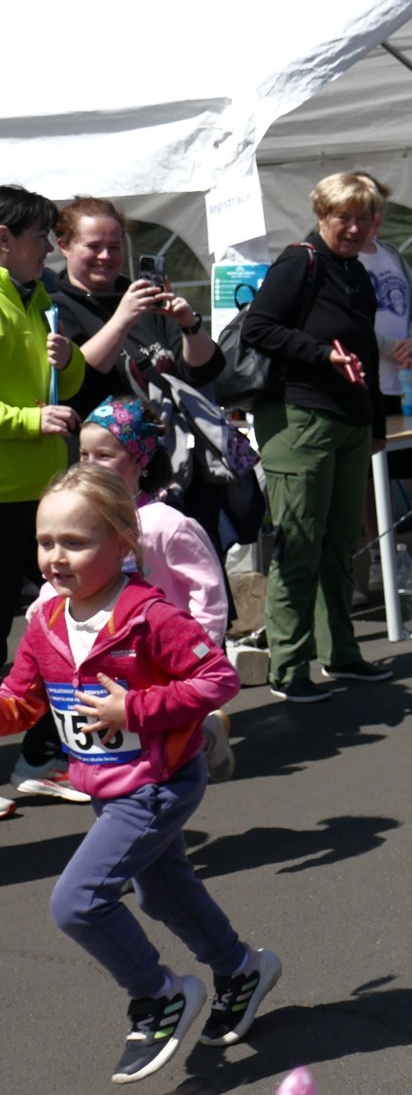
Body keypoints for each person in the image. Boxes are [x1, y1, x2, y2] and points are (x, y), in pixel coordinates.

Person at [0, 464, 278, 1085]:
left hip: (158, 783)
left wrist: (136, 709)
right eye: (46, 542)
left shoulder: (149, 616)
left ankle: (157, 994)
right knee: (162, 893)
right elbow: (20, 702)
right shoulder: (46, 623)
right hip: (106, 785)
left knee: (77, 902)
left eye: (75, 542)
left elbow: (218, 679)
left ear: (123, 542)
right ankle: (241, 969)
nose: (56, 557)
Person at [239, 171, 393, 704]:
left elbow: (366, 352)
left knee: (340, 543)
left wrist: (375, 424)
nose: (352, 228)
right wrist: (320, 354)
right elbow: (259, 327)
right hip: (299, 417)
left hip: (350, 421)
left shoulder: (357, 273)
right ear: (322, 216)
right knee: (300, 545)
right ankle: (288, 667)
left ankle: (341, 654)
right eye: (342, 217)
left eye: (362, 218)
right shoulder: (299, 261)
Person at [50, 397, 233, 779]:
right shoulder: (85, 519)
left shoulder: (166, 524)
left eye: (104, 456)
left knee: (168, 742)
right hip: (114, 652)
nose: (89, 465)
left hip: (167, 653)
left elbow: (208, 590)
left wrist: (200, 650)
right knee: (135, 741)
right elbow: (65, 576)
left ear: (140, 461)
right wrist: (44, 608)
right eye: (83, 455)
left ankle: (203, 744)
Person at [0, 184, 87, 805]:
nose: (49, 251)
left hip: (42, 496)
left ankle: (37, 757)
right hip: (4, 497)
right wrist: (32, 421)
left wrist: (69, 356)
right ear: (3, 240)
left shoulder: (39, 298)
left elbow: (68, 384)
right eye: (40, 239)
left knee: (58, 626)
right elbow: (38, 409)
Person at [51, 197, 220, 426]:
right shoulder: (54, 308)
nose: (105, 256)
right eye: (93, 246)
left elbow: (202, 371)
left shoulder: (147, 299)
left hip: (169, 441)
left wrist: (189, 325)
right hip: (99, 443)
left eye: (114, 247)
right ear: (64, 247)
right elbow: (77, 379)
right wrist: (121, 320)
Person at [350, 172, 412, 599]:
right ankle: (375, 565)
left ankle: (387, 564)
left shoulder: (391, 255)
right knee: (363, 481)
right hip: (363, 386)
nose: (376, 218)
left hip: (399, 388)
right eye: (367, 210)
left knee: (386, 479)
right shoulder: (342, 259)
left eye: (378, 209)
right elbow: (345, 323)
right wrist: (390, 347)